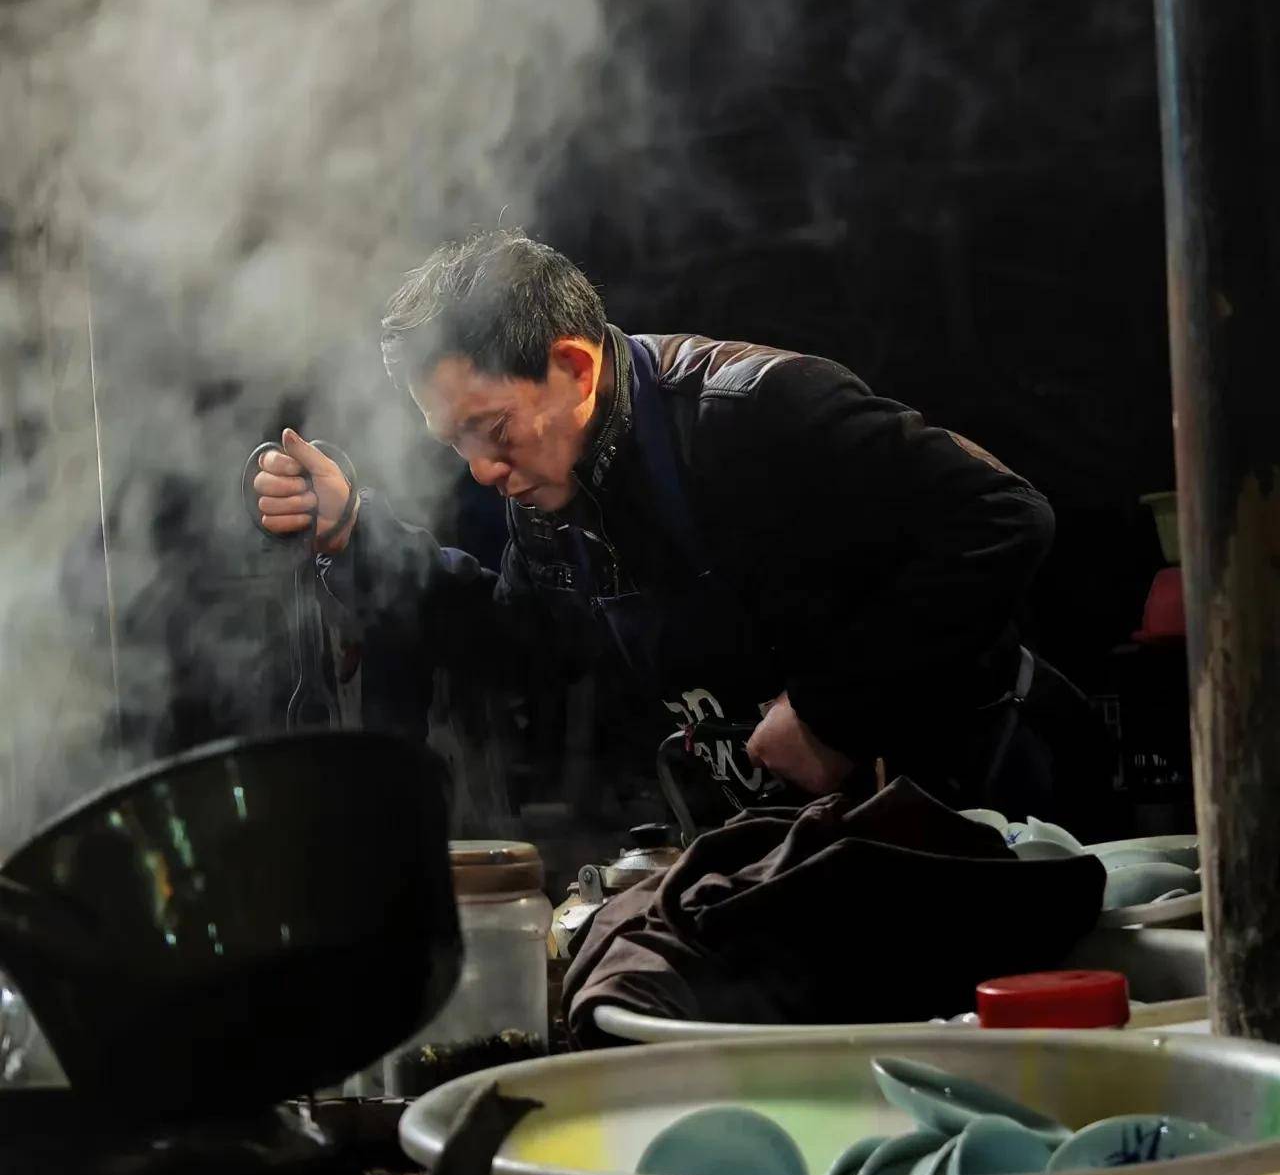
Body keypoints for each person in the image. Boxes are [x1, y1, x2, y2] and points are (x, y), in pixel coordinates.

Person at [252, 228, 1113, 829]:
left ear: (573, 366)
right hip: (829, 846)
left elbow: (1003, 517)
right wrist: (356, 533)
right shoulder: (551, 495)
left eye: (494, 430)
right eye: (457, 445)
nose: (482, 471)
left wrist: (833, 712)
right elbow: (521, 645)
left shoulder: (756, 413)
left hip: (1001, 805)